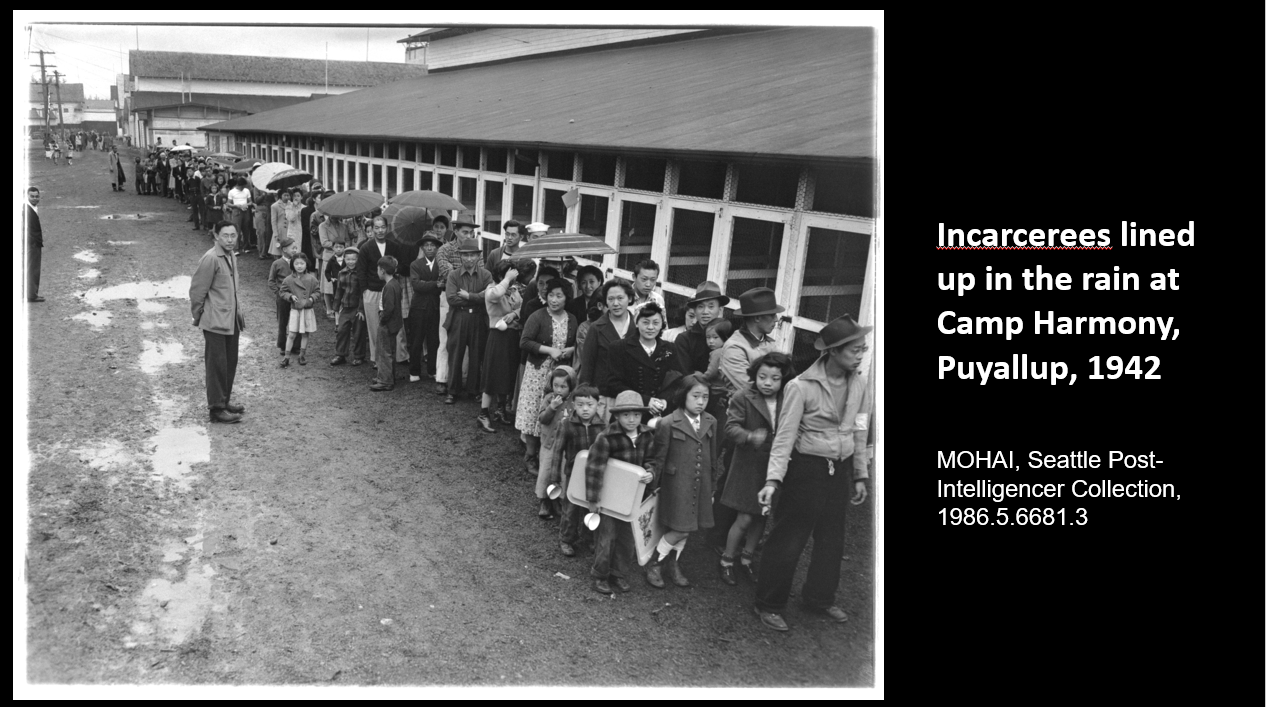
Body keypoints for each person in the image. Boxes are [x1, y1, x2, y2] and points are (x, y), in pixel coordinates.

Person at [753, 315, 873, 633]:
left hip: (842, 469)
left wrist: (860, 474)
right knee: (790, 538)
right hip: (807, 469)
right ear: (833, 351)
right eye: (855, 350)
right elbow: (784, 437)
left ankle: (819, 598)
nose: (861, 355)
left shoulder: (860, 383)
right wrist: (773, 480)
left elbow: (860, 430)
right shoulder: (800, 387)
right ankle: (769, 603)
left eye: (863, 349)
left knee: (832, 539)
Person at [718, 351, 793, 586]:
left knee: (762, 516)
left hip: (773, 466)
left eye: (774, 378)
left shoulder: (789, 398)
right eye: (762, 377)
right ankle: (727, 560)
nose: (768, 383)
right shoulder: (743, 396)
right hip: (748, 466)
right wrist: (750, 436)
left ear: (784, 379)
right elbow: (730, 428)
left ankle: (747, 559)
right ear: (755, 375)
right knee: (744, 517)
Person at [643, 373, 721, 589]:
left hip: (701, 485)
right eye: (695, 396)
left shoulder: (711, 422)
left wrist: (712, 487)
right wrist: (652, 487)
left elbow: (712, 458)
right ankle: (655, 564)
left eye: (705, 397)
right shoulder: (668, 422)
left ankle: (673, 564)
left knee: (690, 527)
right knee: (681, 528)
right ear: (683, 395)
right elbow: (659, 457)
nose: (700, 402)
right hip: (676, 485)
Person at [585, 390, 657, 595]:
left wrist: (651, 473)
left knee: (627, 538)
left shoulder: (646, 436)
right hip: (608, 498)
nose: (632, 419)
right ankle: (600, 574)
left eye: (636, 414)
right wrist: (593, 499)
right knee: (606, 537)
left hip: (633, 499)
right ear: (616, 416)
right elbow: (594, 468)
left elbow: (651, 460)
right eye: (626, 415)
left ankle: (618, 573)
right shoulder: (606, 437)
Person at [517, 278, 578, 474]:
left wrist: (570, 349)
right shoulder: (537, 316)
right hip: (538, 372)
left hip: (559, 375)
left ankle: (550, 456)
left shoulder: (572, 318)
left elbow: (576, 342)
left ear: (566, 297)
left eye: (559, 295)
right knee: (535, 412)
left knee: (556, 411)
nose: (554, 299)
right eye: (551, 295)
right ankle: (530, 455)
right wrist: (549, 350)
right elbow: (524, 342)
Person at [189, 222, 247, 424]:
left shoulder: (231, 255)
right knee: (217, 365)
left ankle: (225, 400)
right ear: (216, 236)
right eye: (226, 236)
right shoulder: (211, 258)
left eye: (233, 235)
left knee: (230, 362)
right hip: (215, 321)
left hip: (231, 320)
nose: (230, 240)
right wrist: (200, 316)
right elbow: (197, 291)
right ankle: (216, 409)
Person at [605, 302, 684, 424]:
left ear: (662, 325)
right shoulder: (619, 347)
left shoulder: (670, 348)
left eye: (656, 323)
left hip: (660, 413)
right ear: (636, 323)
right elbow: (613, 383)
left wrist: (663, 401)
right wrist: (646, 401)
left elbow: (677, 381)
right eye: (646, 322)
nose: (651, 327)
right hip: (629, 411)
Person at [552, 384, 604, 557]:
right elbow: (557, 451)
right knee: (571, 508)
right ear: (573, 404)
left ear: (598, 404)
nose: (585, 409)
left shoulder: (603, 427)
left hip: (595, 476)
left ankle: (589, 538)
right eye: (580, 405)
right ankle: (566, 538)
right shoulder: (567, 424)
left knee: (592, 507)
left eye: (590, 405)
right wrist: (555, 478)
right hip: (573, 474)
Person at [443, 239, 493, 404]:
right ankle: (452, 391)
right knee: (455, 355)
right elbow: (452, 299)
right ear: (460, 256)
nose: (469, 259)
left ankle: (474, 390)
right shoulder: (453, 275)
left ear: (479, 256)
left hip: (479, 318)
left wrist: (469, 296)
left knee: (476, 355)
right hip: (459, 317)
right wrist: (478, 297)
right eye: (466, 255)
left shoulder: (486, 275)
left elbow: (489, 297)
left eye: (473, 255)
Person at [479, 260, 528, 433]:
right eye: (509, 274)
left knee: (506, 373)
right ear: (501, 275)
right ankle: (484, 414)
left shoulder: (513, 290)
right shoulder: (492, 289)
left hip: (511, 336)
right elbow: (495, 296)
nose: (514, 277)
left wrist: (514, 314)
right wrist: (506, 279)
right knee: (492, 373)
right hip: (497, 336)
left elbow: (523, 308)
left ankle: (500, 409)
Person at [578, 280, 636, 414]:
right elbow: (587, 367)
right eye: (610, 299)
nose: (616, 303)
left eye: (620, 298)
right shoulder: (596, 328)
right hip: (603, 398)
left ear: (630, 298)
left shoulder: (638, 328)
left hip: (631, 398)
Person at [357, 216, 406, 370]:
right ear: (372, 229)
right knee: (374, 327)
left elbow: (401, 266)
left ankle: (400, 356)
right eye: (376, 228)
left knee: (396, 324)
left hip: (389, 290)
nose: (380, 231)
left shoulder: (394, 246)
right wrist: (364, 291)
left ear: (387, 228)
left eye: (382, 227)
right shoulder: (366, 247)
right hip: (372, 291)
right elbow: (361, 271)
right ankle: (376, 358)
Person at [534, 365, 576, 519]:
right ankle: (544, 500)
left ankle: (557, 499)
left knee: (562, 473)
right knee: (546, 471)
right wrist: (552, 407)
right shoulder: (549, 399)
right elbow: (542, 419)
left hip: (565, 446)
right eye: (556, 385)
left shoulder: (574, 402)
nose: (559, 390)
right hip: (549, 444)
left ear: (571, 386)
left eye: (563, 386)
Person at [406, 232, 444, 381]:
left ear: (437, 248)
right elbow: (416, 285)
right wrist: (435, 284)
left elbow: (444, 282)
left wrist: (433, 285)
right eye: (426, 245)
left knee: (434, 339)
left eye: (432, 245)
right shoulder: (416, 264)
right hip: (419, 308)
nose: (429, 248)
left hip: (435, 307)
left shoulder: (441, 264)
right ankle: (414, 371)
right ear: (422, 248)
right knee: (416, 340)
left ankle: (432, 369)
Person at [672, 281, 730, 376]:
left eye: (711, 306)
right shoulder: (684, 340)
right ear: (695, 310)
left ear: (720, 310)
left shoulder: (729, 337)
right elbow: (685, 375)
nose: (705, 312)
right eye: (700, 306)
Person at [278, 253, 320, 367]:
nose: (299, 266)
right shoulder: (288, 279)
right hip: (295, 310)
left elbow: (317, 291)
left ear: (306, 265)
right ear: (293, 265)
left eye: (302, 263)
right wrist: (290, 296)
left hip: (307, 309)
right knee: (291, 333)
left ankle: (302, 355)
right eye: (297, 264)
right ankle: (286, 357)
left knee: (305, 334)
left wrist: (312, 298)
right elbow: (282, 292)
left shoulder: (312, 278)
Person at [370, 256, 404, 392]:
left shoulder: (389, 286)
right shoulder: (395, 283)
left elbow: (388, 308)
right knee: (389, 351)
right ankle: (387, 376)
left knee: (384, 352)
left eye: (378, 269)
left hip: (387, 324)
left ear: (382, 270)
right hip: (394, 323)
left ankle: (385, 381)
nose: (377, 272)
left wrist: (382, 319)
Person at [330, 247, 367, 367]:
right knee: (342, 330)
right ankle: (340, 354)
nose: (351, 262)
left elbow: (363, 293)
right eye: (348, 259)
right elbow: (339, 291)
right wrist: (335, 307)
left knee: (358, 332)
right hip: (345, 308)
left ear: (358, 259)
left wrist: (361, 309)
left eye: (354, 259)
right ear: (344, 259)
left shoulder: (361, 273)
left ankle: (359, 356)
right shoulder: (342, 273)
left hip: (357, 308)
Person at [268, 237, 301, 356]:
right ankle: (282, 345)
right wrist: (278, 293)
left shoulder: (298, 262)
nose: (295, 250)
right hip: (282, 298)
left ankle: (295, 346)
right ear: (284, 249)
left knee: (297, 320)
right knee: (283, 321)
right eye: (293, 248)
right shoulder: (277, 263)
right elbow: (271, 281)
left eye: (295, 248)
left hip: (296, 297)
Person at [318, 214, 351, 316]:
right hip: (329, 256)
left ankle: (340, 307)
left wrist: (344, 247)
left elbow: (347, 239)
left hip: (343, 256)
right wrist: (336, 245)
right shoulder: (323, 226)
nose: (335, 216)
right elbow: (324, 242)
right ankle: (329, 308)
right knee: (328, 284)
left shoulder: (343, 226)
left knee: (342, 281)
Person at [25, 187, 43, 303]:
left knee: (33, 268)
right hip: (32, 243)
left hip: (33, 242)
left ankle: (32, 293)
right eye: (32, 196)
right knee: (33, 268)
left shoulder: (32, 207)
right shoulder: (26, 209)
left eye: (37, 196)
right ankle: (31, 295)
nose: (35, 198)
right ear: (27, 196)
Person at [226, 178, 253, 254]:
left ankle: (246, 246)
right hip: (236, 211)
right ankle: (236, 248)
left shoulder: (246, 191)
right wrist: (236, 205)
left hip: (245, 210)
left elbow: (250, 202)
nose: (243, 188)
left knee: (246, 229)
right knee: (236, 229)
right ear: (238, 185)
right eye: (242, 186)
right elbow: (228, 203)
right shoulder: (232, 192)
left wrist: (246, 204)